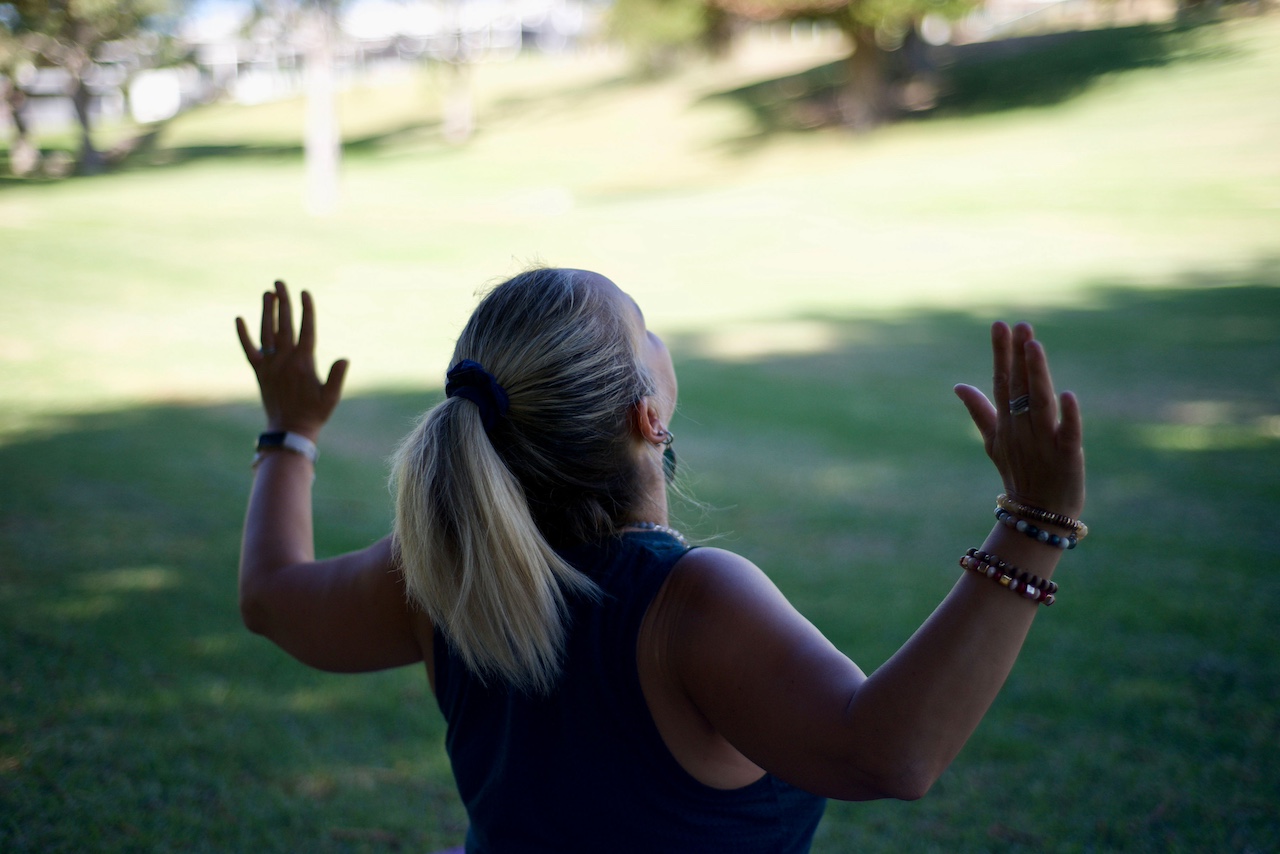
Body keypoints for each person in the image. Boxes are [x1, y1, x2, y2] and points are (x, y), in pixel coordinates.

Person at [234, 268, 1086, 853]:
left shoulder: (437, 572)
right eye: (644, 332)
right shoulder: (690, 604)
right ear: (647, 416)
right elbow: (887, 754)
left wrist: (289, 432)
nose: (659, 336)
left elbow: (273, 598)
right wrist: (1033, 525)